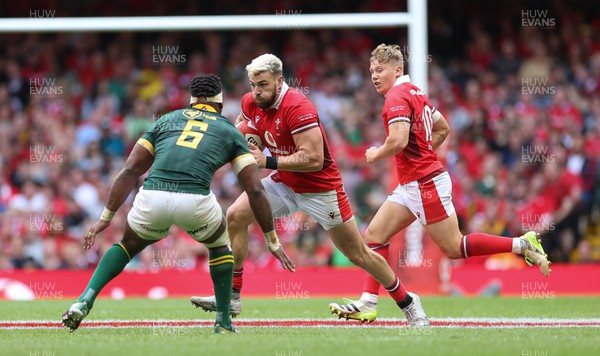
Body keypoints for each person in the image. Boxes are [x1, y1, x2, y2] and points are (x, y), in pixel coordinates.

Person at [191, 54, 429, 327]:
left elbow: (313, 158)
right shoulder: (250, 101)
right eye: (253, 84)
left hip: (321, 189)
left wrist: (265, 160)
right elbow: (246, 134)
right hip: (285, 182)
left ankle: (408, 302)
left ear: (280, 82)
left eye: (263, 85)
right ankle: (232, 295)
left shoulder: (297, 106)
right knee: (235, 215)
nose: (256, 92)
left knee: (357, 254)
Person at [328, 44, 551, 322]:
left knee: (453, 248)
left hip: (425, 184)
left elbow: (397, 140)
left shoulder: (396, 96)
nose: (374, 75)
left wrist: (376, 153)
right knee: (375, 234)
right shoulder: (416, 92)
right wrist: (422, 152)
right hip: (414, 183)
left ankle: (522, 245)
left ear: (397, 70)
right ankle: (368, 301)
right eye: (372, 70)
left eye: (380, 70)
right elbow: (443, 128)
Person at [61, 74, 294, 334]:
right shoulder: (229, 130)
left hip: (153, 196)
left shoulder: (166, 120)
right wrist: (272, 239)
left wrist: (105, 217)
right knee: (219, 247)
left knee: (127, 246)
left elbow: (129, 170)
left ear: (192, 101)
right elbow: (255, 190)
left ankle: (85, 300)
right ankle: (223, 321)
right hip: (195, 201)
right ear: (220, 103)